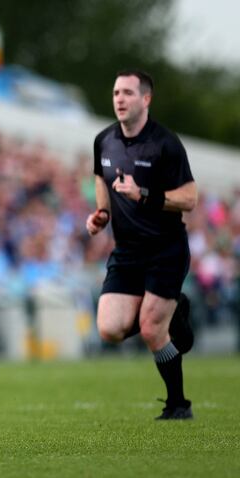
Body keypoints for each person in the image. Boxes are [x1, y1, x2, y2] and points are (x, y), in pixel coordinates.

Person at [86, 69, 196, 420]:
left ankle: (178, 404)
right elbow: (100, 176)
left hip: (166, 248)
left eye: (128, 93)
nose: (119, 99)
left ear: (145, 99)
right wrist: (101, 213)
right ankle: (172, 309)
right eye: (116, 92)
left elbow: (190, 198)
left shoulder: (165, 143)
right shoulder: (104, 140)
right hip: (128, 251)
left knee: (151, 329)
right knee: (110, 329)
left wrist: (143, 194)